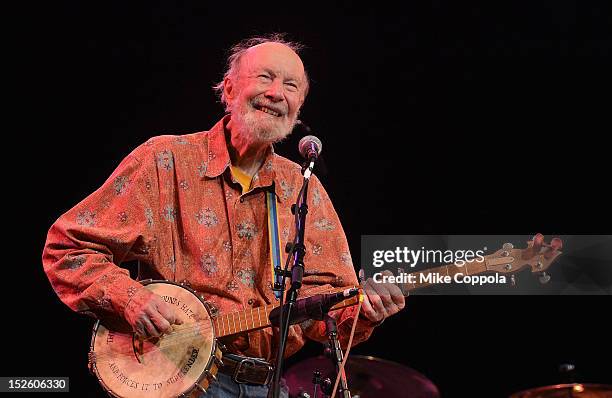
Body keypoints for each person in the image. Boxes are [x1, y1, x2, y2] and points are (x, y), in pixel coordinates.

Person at [42, 34, 405, 397]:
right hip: (175, 378)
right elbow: (67, 250)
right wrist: (131, 300)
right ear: (229, 89)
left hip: (266, 385)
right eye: (265, 77)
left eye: (291, 85)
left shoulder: (301, 188)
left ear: (299, 107)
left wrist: (368, 309)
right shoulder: (164, 161)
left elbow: (327, 316)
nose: (277, 92)